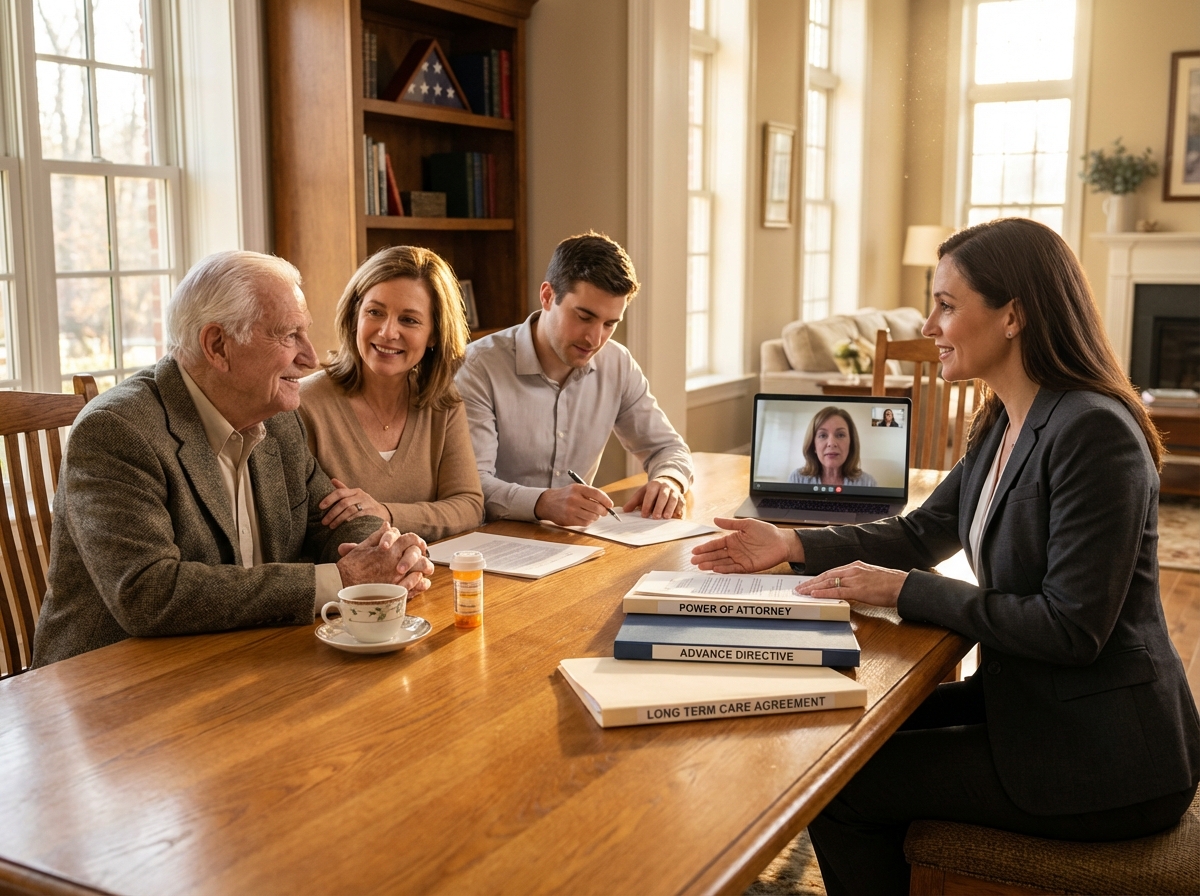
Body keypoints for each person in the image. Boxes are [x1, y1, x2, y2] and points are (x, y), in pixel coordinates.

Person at [692, 218, 1200, 895]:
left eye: (946, 305)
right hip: (1033, 709)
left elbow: (1071, 628)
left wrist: (901, 590)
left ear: (1013, 314)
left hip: (1102, 754)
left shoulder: (1093, 433)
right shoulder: (1005, 419)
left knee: (839, 786)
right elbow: (921, 531)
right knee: (834, 736)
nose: (929, 325)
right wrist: (789, 544)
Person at [32, 251, 435, 668]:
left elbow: (333, 518)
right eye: (288, 335)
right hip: (111, 682)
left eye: (306, 333)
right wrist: (345, 579)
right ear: (217, 346)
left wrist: (388, 552)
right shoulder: (116, 430)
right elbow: (148, 592)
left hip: (239, 655)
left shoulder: (278, 419)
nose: (310, 357)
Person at [456, 231, 693, 526]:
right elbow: (472, 486)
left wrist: (669, 481)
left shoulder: (617, 364)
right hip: (492, 544)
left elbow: (668, 448)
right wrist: (542, 503)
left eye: (610, 324)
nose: (595, 338)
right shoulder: (478, 367)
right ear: (547, 296)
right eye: (584, 317)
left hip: (576, 545)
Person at [299, 246, 484, 543]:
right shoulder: (304, 404)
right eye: (375, 312)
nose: (387, 332)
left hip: (429, 576)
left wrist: (386, 513)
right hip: (347, 584)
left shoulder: (442, 402)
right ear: (355, 314)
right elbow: (307, 529)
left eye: (408, 320)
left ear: (434, 334)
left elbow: (468, 506)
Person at [787, 406, 878, 487]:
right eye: (822, 435)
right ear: (813, 445)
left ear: (851, 443)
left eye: (840, 435)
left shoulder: (868, 483)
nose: (831, 443)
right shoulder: (797, 479)